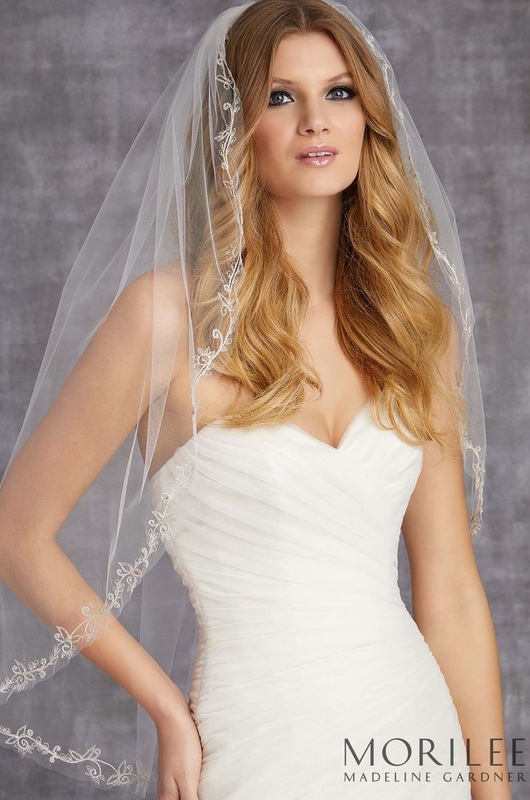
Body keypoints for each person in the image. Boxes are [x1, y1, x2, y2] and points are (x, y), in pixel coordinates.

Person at [0, 1, 511, 798]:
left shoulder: (418, 330)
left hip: (413, 735)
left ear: (369, 117)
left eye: (339, 92)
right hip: (254, 741)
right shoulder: (163, 318)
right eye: (280, 97)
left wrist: (492, 790)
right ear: (235, 128)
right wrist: (166, 707)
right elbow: (16, 533)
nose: (316, 120)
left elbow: (450, 593)